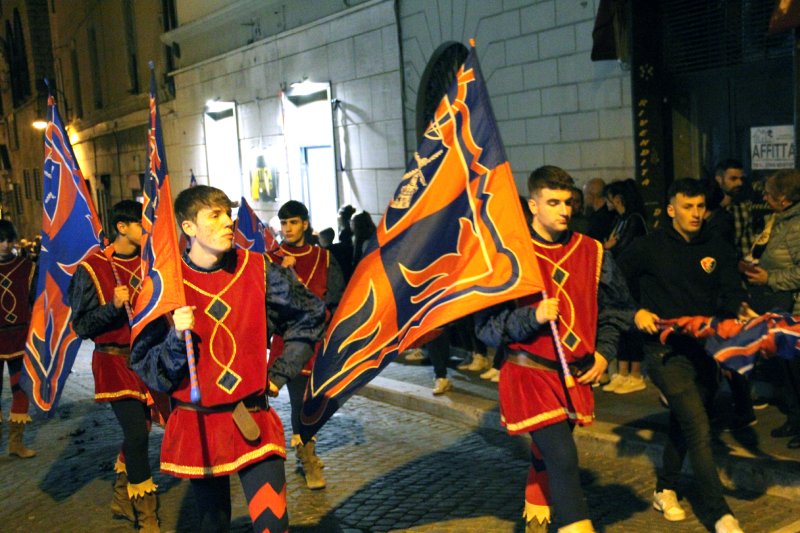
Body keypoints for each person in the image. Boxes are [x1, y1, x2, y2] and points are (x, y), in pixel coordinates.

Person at [130, 186, 325, 532]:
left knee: (273, 524)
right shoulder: (164, 286)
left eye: (228, 214)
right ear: (188, 227)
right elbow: (152, 371)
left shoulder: (258, 269)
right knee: (213, 525)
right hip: (200, 427)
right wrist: (176, 338)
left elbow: (311, 313)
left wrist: (278, 373)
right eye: (215, 215)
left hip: (253, 418)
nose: (227, 222)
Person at [476, 166, 633, 533]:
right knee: (562, 456)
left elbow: (617, 309)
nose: (564, 210)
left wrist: (604, 353)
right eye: (553, 202)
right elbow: (486, 328)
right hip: (528, 373)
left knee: (547, 453)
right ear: (533, 205)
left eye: (567, 202)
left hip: (575, 373)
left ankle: (535, 517)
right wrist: (531, 316)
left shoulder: (592, 251)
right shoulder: (511, 256)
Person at [618, 178, 747, 533]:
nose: (695, 213)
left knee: (685, 421)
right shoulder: (647, 247)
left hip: (705, 351)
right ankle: (719, 513)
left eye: (700, 207)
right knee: (698, 426)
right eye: (687, 207)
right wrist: (635, 312)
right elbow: (612, 281)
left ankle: (665, 488)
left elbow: (732, 290)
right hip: (664, 351)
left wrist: (738, 312)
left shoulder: (717, 247)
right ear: (671, 209)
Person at [67, 201, 160, 530]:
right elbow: (81, 326)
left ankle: (122, 496)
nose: (147, 232)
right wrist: (113, 306)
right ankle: (147, 516)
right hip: (114, 361)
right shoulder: (92, 268)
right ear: (122, 227)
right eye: (141, 226)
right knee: (136, 434)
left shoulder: (151, 263)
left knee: (143, 430)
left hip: (148, 360)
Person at [267, 200, 344, 489]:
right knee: (301, 401)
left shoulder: (325, 257)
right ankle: (308, 458)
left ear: (305, 224)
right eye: (283, 223)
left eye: (293, 222)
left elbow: (335, 298)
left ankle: (306, 448)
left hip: (320, 341)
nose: (287, 228)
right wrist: (284, 274)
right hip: (290, 343)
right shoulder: (271, 259)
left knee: (317, 400)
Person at [742, 169, 800, 448]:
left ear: (785, 199)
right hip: (783, 309)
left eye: (768, 194)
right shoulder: (780, 221)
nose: (763, 198)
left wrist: (769, 278)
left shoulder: (796, 226)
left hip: (796, 308)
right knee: (788, 369)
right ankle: (795, 418)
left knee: (796, 369)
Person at [599, 179, 648, 395]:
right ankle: (622, 371)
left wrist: (609, 246)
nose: (607, 203)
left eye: (609, 198)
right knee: (621, 324)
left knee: (633, 325)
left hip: (632, 281)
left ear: (618, 199)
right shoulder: (620, 219)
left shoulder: (634, 220)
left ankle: (635, 374)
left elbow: (625, 249)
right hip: (619, 280)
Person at [0, 219, 37, 459]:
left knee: (21, 389)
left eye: (8, 240)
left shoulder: (27, 267)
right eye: (0, 240)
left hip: (19, 337)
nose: (4, 245)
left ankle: (16, 442)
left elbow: (37, 300)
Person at [715, 159, 754, 259]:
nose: (739, 183)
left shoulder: (742, 208)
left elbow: (746, 245)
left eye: (741, 179)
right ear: (719, 179)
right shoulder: (708, 209)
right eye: (733, 179)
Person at [582, 177, 614, 242]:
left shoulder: (599, 218)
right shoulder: (610, 213)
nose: (584, 198)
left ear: (590, 195)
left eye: (585, 194)